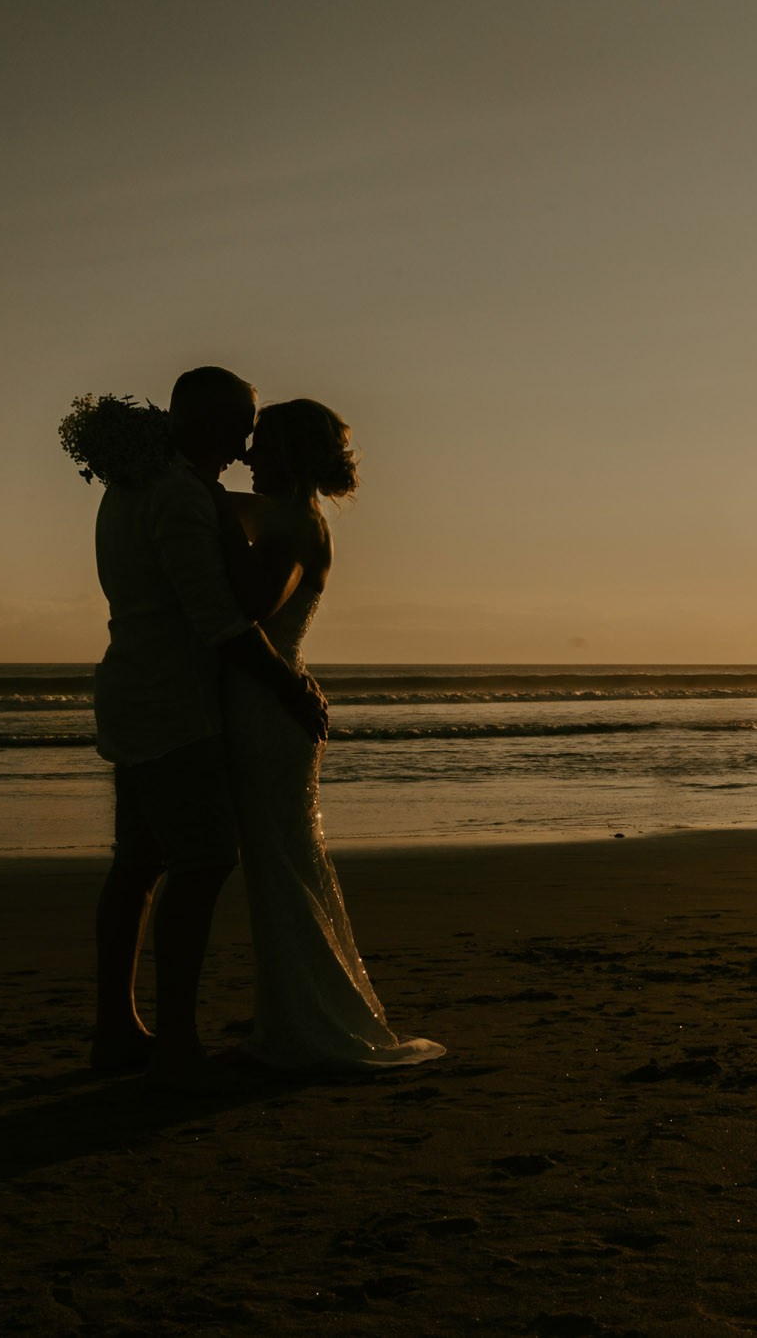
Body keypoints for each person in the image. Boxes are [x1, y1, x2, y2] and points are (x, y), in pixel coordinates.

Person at [86, 367, 329, 1091]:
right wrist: (290, 685)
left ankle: (117, 1027)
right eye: (237, 428)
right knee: (200, 860)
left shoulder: (129, 487)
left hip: (131, 690)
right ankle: (176, 1041)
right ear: (203, 423)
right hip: (174, 705)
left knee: (138, 863)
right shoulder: (180, 497)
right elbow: (221, 621)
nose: (243, 443)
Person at [204, 398, 443, 1071]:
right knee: (283, 860)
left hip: (267, 713)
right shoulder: (282, 515)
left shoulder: (298, 525)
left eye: (261, 446)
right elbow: (219, 503)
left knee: (281, 863)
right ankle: (292, 1013)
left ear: (289, 454)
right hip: (263, 707)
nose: (248, 457)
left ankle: (305, 1023)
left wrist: (220, 523)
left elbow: (253, 603)